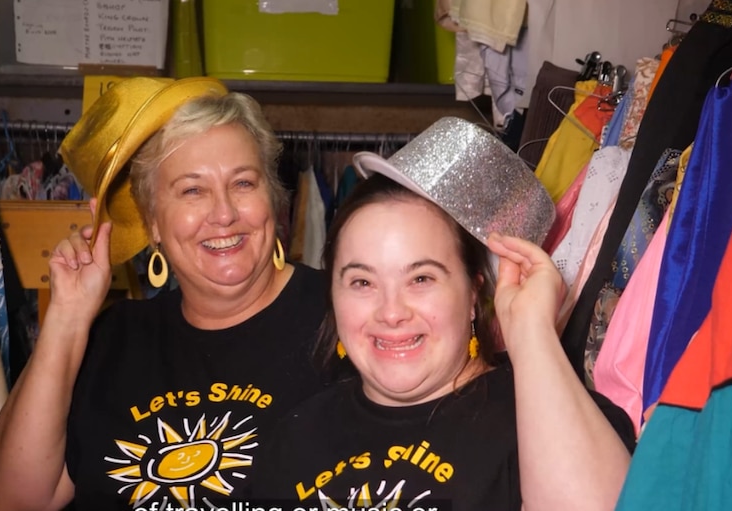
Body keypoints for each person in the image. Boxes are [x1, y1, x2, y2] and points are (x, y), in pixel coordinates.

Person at [252, 118, 636, 511]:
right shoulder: (294, 438)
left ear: (474, 292)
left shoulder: (545, 414)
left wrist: (531, 331)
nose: (391, 312)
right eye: (362, 282)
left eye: (421, 278)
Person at [0, 77, 329, 510]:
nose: (224, 213)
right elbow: (13, 502)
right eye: (192, 190)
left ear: (272, 198)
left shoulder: (344, 317)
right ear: (153, 224)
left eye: (243, 183)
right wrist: (68, 320)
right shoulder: (111, 339)